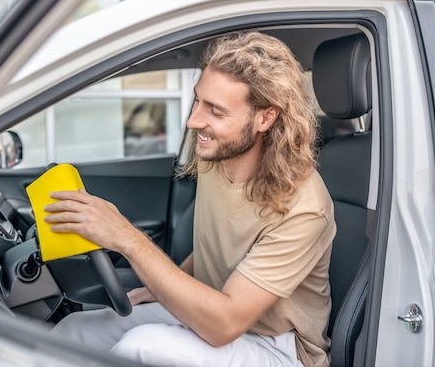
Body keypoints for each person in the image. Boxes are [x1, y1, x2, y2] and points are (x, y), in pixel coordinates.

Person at [46, 31, 336, 367]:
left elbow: (224, 324)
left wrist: (125, 237)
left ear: (265, 118)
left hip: (278, 347)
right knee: (75, 330)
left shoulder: (304, 206)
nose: (193, 120)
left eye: (215, 110)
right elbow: (219, 247)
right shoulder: (219, 156)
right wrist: (161, 288)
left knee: (142, 348)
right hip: (217, 312)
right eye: (198, 100)